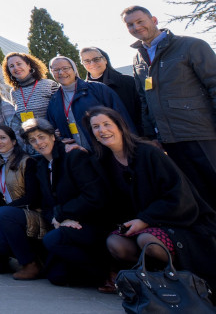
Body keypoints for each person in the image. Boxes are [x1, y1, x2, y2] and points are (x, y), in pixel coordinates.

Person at [88, 106, 216, 288]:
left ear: (120, 125)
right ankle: (154, 280)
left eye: (107, 124)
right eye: (96, 127)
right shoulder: (103, 162)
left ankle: (181, 280)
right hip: (140, 224)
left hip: (178, 222)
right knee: (115, 243)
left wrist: (145, 220)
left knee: (148, 241)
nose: (102, 130)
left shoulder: (149, 153)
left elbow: (178, 196)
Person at [122, 5, 216, 208]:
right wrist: (151, 137)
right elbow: (144, 99)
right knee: (199, 196)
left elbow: (214, 84)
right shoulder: (138, 58)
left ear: (154, 20)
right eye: (130, 25)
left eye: (140, 21)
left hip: (202, 134)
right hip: (170, 140)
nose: (136, 27)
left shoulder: (191, 46)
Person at [23, 118, 110, 288]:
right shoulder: (40, 166)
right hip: (65, 223)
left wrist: (63, 214)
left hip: (91, 221)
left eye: (41, 137)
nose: (38, 143)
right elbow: (46, 205)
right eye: (33, 140)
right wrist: (58, 219)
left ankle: (107, 272)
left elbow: (94, 196)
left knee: (52, 240)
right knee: (56, 276)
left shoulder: (73, 156)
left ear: (53, 136)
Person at [0, 125, 44, 278]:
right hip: (9, 216)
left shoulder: (27, 162)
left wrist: (5, 212)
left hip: (32, 214)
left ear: (13, 141)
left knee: (2, 213)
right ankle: (31, 258)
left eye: (3, 138)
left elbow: (33, 197)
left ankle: (30, 264)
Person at [45, 55, 131, 150]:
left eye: (65, 68)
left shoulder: (97, 89)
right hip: (79, 157)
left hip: (108, 150)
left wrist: (129, 144)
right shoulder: (54, 100)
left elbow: (122, 117)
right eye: (56, 70)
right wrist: (58, 139)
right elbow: (52, 130)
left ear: (74, 69)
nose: (61, 72)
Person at [80, 46, 142, 134]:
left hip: (134, 136)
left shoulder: (128, 82)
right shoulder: (82, 91)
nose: (92, 63)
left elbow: (142, 110)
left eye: (96, 59)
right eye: (87, 61)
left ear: (105, 60)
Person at [2, 53, 58, 141]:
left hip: (53, 138)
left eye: (19, 64)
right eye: (11, 66)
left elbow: (60, 112)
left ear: (28, 65)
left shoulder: (48, 84)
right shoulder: (14, 92)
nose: (16, 68)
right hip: (32, 142)